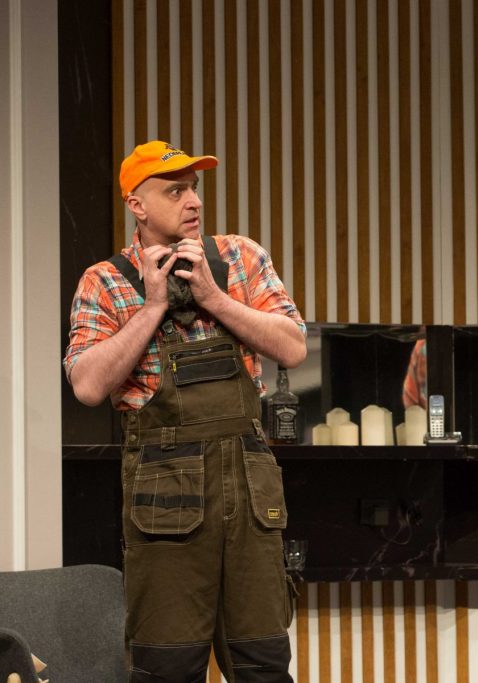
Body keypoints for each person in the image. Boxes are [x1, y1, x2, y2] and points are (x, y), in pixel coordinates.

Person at [64, 141, 307, 682]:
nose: (193, 201)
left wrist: (214, 297)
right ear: (137, 204)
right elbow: (87, 385)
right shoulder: (105, 280)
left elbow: (292, 347)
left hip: (250, 496)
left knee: (264, 662)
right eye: (175, 191)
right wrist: (153, 305)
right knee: (167, 666)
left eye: (194, 188)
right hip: (164, 503)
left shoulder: (240, 257)